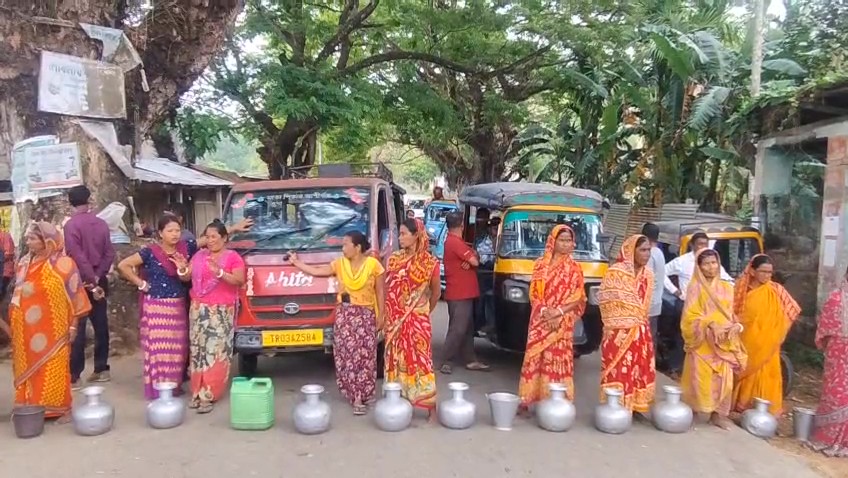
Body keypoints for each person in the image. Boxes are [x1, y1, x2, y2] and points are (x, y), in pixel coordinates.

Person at [289, 231, 385, 416]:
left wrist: (382, 316)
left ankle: (363, 393)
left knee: (365, 357)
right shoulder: (340, 264)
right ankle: (355, 395)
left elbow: (380, 292)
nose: (343, 248)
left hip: (366, 315)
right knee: (348, 356)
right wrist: (296, 262)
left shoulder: (374, 265)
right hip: (345, 315)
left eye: (346, 244)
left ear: (357, 247)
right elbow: (317, 272)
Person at [9, 222, 91, 422]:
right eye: (27, 238)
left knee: (55, 366)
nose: (28, 242)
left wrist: (73, 325)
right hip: (25, 329)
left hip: (54, 328)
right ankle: (30, 407)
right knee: (27, 367)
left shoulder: (64, 264)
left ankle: (61, 409)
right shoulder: (23, 263)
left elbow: (77, 298)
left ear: (47, 241)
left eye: (32, 238)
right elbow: (17, 295)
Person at [118, 216, 198, 399]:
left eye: (177, 230)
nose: (175, 234)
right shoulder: (150, 252)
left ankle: (172, 387)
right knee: (160, 350)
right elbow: (123, 265)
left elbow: (210, 238)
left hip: (178, 306)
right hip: (156, 307)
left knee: (177, 351)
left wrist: (232, 229)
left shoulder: (186, 248)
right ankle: (159, 389)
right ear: (161, 233)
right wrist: (141, 284)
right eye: (170, 231)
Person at [518, 225, 586, 412]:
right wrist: (545, 312)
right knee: (534, 357)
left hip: (562, 323)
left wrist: (559, 313)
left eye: (569, 241)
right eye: (562, 240)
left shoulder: (575, 268)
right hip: (541, 319)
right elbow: (534, 293)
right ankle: (527, 399)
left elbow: (578, 296)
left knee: (557, 360)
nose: (565, 244)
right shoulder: (540, 265)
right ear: (552, 241)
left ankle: (556, 402)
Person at [680, 249, 747, 430]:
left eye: (714, 263)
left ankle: (718, 415)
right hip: (702, 343)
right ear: (699, 267)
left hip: (724, 342)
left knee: (724, 380)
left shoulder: (727, 288)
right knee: (698, 378)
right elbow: (689, 316)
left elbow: (731, 314)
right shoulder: (695, 288)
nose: (711, 267)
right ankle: (692, 412)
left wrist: (736, 326)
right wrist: (709, 324)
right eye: (706, 264)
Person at [185, 220, 245, 414]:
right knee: (198, 350)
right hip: (198, 309)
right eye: (207, 237)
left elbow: (239, 280)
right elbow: (187, 276)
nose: (210, 241)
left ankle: (209, 394)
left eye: (214, 237)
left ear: (224, 238)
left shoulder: (232, 257)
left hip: (220, 311)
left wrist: (219, 272)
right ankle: (196, 391)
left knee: (215, 350)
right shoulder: (199, 255)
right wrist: (181, 269)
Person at [384, 218, 440, 418]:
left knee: (422, 362)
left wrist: (422, 312)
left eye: (403, 234)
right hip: (395, 321)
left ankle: (429, 407)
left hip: (418, 321)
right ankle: (398, 403)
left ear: (416, 235)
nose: (400, 238)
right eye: (399, 234)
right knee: (397, 361)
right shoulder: (394, 259)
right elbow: (388, 289)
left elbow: (436, 293)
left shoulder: (429, 263)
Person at [731, 254, 800, 416]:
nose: (767, 275)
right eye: (763, 271)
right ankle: (741, 407)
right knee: (745, 371)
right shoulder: (741, 289)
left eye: (770, 272)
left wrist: (777, 333)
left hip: (769, 344)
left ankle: (764, 412)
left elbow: (792, 311)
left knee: (767, 375)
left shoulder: (776, 290)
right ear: (752, 271)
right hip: (746, 342)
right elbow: (734, 313)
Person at [63, 185, 117, 389]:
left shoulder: (70, 226)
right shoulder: (101, 224)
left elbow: (77, 255)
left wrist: (89, 278)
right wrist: (97, 276)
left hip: (79, 280)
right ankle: (101, 368)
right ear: (89, 199)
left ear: (70, 202)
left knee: (78, 325)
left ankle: (75, 375)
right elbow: (109, 253)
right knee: (100, 323)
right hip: (99, 278)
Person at [598, 234, 655, 415]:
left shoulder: (648, 275)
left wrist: (638, 321)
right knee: (617, 367)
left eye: (648, 250)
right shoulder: (616, 272)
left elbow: (644, 307)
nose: (646, 254)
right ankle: (615, 405)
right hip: (617, 332)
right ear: (631, 250)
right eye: (643, 250)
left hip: (640, 330)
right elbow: (606, 301)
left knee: (638, 367)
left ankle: (634, 405)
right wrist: (628, 319)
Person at [663, 232, 733, 377]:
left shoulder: (712, 262)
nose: (702, 247)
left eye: (705, 244)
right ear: (692, 245)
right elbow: (662, 272)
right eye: (699, 244)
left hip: (710, 307)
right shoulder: (681, 261)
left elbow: (728, 280)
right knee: (683, 335)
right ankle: (675, 367)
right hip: (688, 303)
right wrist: (675, 291)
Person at [440, 212, 488, 374]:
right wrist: (472, 258)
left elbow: (473, 257)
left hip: (463, 292)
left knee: (467, 327)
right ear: (461, 225)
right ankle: (447, 359)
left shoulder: (455, 242)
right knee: (458, 328)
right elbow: (476, 260)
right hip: (459, 292)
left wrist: (472, 258)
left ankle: (470, 359)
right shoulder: (456, 243)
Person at [808, 266, 848, 457]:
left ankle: (845, 442)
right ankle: (827, 438)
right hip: (838, 353)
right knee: (835, 393)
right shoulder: (835, 299)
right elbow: (824, 329)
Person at [641, 223, 665, 352]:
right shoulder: (659, 253)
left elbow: (645, 279)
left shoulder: (648, 255)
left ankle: (647, 366)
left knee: (646, 338)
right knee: (651, 336)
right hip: (656, 302)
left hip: (648, 304)